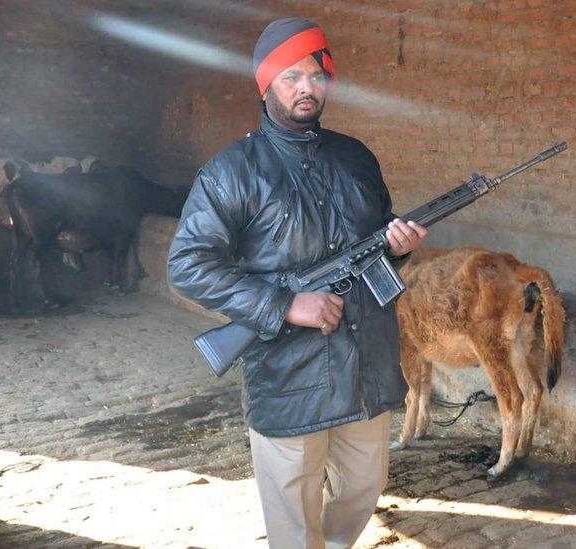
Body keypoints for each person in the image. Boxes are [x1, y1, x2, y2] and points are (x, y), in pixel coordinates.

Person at [167, 16, 428, 549]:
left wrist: (395, 247)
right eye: (290, 76)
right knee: (293, 505)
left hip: (366, 367)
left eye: (315, 74)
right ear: (266, 86)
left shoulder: (356, 157)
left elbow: (374, 240)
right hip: (290, 374)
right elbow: (188, 264)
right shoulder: (232, 171)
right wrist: (283, 304)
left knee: (364, 486)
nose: (306, 87)